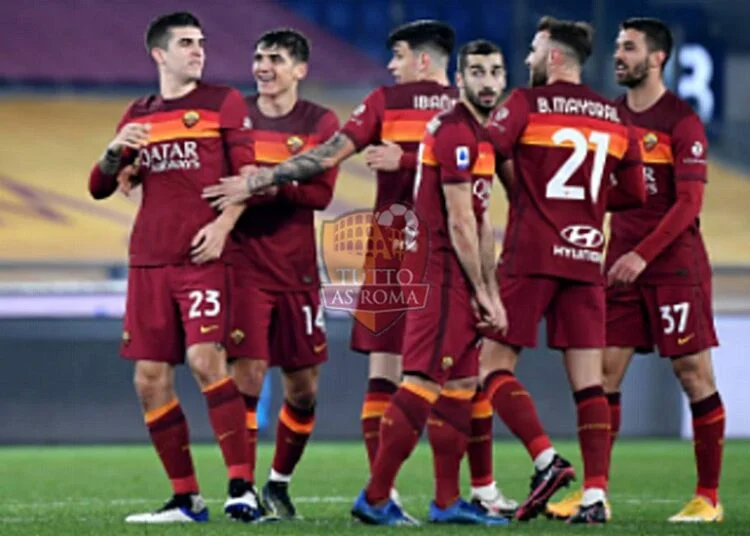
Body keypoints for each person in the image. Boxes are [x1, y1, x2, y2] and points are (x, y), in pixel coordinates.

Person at [203, 19, 517, 517]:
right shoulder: (456, 113)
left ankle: (458, 490)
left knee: (426, 377)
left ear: (422, 59)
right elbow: (333, 156)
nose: (390, 64)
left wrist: (409, 160)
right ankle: (405, 493)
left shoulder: (421, 107)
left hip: (409, 248)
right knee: (430, 375)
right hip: (416, 250)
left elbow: (485, 175)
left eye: (397, 55)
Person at [547, 17, 724, 524]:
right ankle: (594, 492)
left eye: (629, 48)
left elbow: (688, 203)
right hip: (619, 269)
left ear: (658, 57)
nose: (618, 55)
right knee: (601, 374)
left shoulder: (681, 120)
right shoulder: (610, 119)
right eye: (618, 46)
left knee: (693, 375)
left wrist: (642, 254)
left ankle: (708, 497)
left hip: (673, 269)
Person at [87, 12, 258, 523]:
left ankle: (241, 488)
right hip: (148, 261)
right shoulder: (138, 115)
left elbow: (247, 178)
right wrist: (115, 154)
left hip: (201, 256)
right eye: (186, 43)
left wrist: (224, 226)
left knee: (207, 360)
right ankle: (186, 498)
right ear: (159, 54)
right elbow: (99, 185)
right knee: (149, 377)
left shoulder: (223, 101)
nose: (198, 50)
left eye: (201, 42)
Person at [484, 16, 646, 524]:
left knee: (491, 367)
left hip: (531, 254)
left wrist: (528, 190)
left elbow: (485, 152)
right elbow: (636, 193)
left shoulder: (524, 104)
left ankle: (545, 459)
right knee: (589, 384)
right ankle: (596, 496)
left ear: (554, 57)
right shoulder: (617, 118)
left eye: (534, 50)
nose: (527, 60)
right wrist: (590, 205)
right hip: (585, 258)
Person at [347, 38, 509, 526]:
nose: (486, 81)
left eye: (495, 72)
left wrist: (490, 292)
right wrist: (482, 292)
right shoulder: (456, 131)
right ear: (459, 81)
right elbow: (460, 222)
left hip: (458, 273)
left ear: (504, 81)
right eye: (476, 72)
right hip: (438, 269)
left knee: (460, 382)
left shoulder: (480, 136)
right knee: (420, 380)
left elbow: (481, 223)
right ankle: (375, 497)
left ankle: (445, 502)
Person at [222, 28, 340, 520]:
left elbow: (321, 195)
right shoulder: (235, 115)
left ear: (300, 70)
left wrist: (262, 184)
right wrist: (289, 175)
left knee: (303, 387)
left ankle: (279, 483)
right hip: (244, 264)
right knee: (246, 375)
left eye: (274, 58)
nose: (262, 66)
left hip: (297, 272)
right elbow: (222, 184)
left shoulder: (320, 121)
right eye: (257, 56)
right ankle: (241, 487)